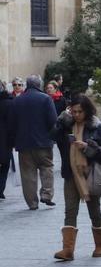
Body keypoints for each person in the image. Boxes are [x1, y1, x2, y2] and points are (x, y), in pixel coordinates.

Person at [51, 94, 101, 261]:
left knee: (94, 210)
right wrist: (62, 119)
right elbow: (52, 135)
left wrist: (87, 147)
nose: (76, 115)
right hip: (71, 173)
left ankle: (100, 245)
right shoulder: (67, 125)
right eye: (74, 111)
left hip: (90, 173)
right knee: (70, 210)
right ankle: (67, 250)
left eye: (79, 112)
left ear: (87, 111)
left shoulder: (97, 126)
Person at [10, 75, 57, 210]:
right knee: (47, 168)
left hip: (24, 143)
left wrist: (13, 141)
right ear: (39, 85)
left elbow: (12, 124)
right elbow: (53, 121)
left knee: (28, 174)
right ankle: (47, 194)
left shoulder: (18, 101)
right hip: (43, 142)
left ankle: (32, 202)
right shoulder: (46, 99)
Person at [0, 81, 14, 199]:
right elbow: (12, 123)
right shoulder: (9, 103)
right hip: (6, 140)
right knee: (5, 166)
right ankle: (0, 189)